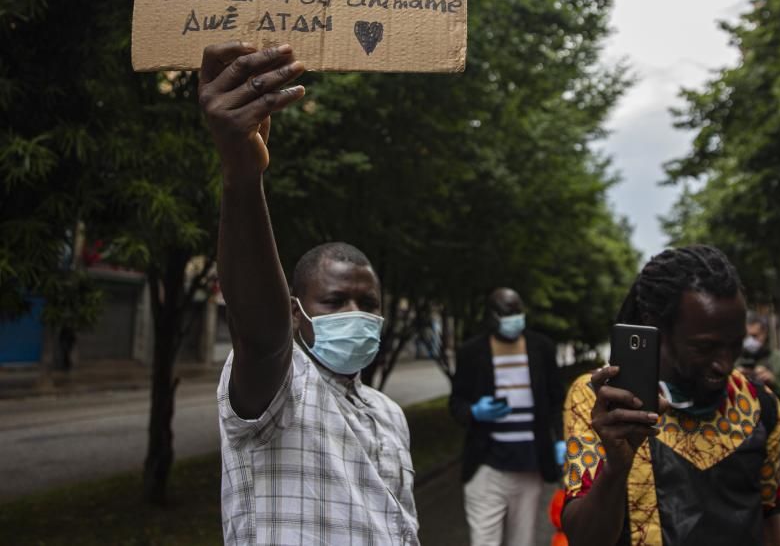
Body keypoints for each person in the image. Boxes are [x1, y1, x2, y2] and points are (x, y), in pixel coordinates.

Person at [199, 42, 418, 545]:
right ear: (297, 313)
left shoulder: (389, 415)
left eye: (368, 304)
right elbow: (261, 335)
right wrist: (242, 176)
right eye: (336, 301)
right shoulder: (281, 384)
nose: (356, 313)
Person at [561, 245, 780, 546]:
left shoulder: (757, 403)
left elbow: (773, 511)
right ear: (654, 325)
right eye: (704, 347)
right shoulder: (602, 400)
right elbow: (584, 540)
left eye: (735, 345)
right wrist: (616, 467)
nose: (724, 365)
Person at [449, 287, 566, 546]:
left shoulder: (541, 348)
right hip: (486, 468)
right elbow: (456, 403)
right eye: (506, 313)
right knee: (484, 541)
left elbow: (557, 400)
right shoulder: (471, 352)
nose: (514, 318)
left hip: (530, 467)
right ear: (491, 316)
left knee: (522, 542)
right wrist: (475, 411)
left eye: (517, 312)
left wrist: (560, 439)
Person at [740, 313, 780, 507]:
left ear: (765, 334)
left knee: (777, 504)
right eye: (747, 335)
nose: (752, 341)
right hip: (740, 442)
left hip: (776, 443)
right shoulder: (731, 360)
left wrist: (774, 380)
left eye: (756, 336)